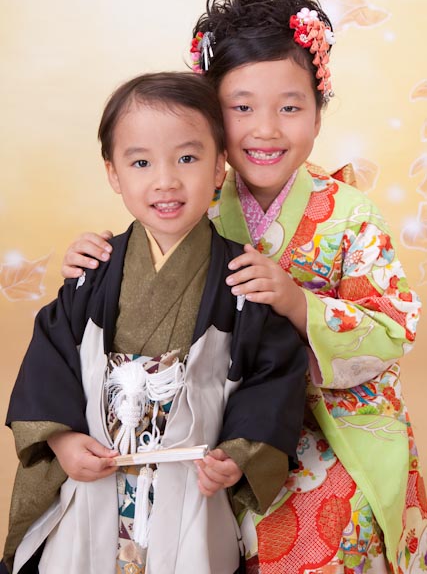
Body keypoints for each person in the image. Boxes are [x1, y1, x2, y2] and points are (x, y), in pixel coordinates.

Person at [60, 0, 427, 573]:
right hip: (212, 422)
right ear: (210, 116)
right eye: (241, 107)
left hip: (330, 425)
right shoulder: (193, 199)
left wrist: (298, 303)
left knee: (334, 517)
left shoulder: (350, 214)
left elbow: (393, 329)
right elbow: (143, 278)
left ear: (318, 113)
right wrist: (95, 260)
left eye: (291, 107)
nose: (266, 129)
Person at [1, 72, 309, 574]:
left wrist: (240, 453)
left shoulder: (240, 279)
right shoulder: (93, 273)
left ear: (219, 167)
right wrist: (61, 440)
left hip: (190, 482)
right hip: (95, 475)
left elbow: (273, 373)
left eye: (187, 158)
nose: (165, 180)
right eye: (141, 162)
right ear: (113, 174)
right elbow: (49, 364)